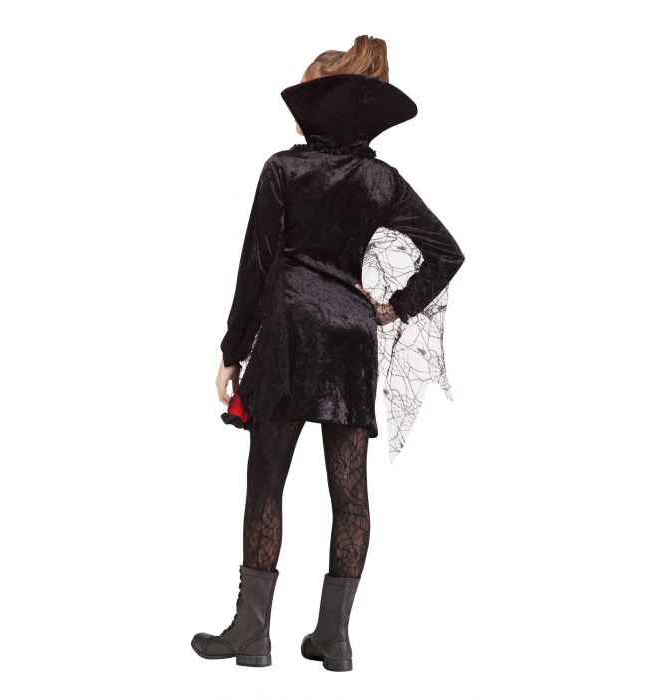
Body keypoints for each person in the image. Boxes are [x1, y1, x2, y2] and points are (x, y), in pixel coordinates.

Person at [191, 35, 465, 672]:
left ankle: (252, 633)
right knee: (350, 492)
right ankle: (334, 637)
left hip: (290, 331)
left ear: (318, 106)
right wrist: (394, 305)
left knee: (267, 480)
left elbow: (256, 268)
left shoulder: (282, 170)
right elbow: (447, 252)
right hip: (350, 336)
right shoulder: (381, 179)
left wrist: (233, 351)